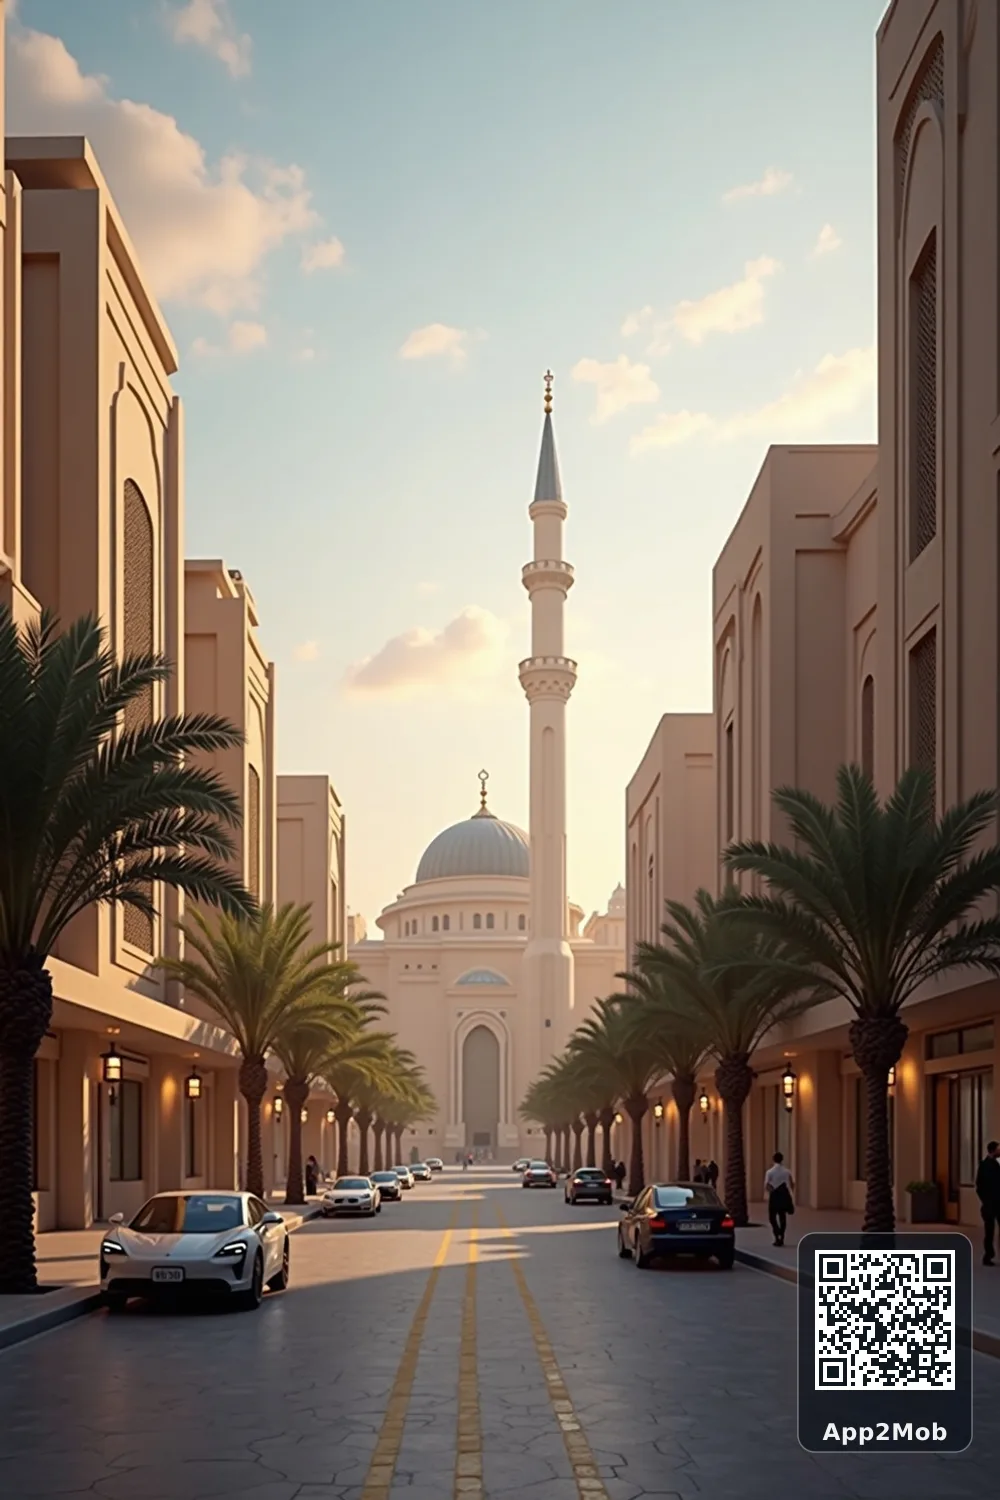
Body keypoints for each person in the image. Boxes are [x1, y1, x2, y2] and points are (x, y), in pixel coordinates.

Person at [975, 1140, 1000, 1266]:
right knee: (989, 1231)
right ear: (993, 1150)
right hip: (991, 1204)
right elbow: (979, 1186)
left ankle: (989, 1255)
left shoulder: (992, 1164)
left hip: (994, 1203)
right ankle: (988, 1255)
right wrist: (986, 1200)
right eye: (998, 1149)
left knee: (989, 1231)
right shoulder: (986, 1166)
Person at [764, 1151, 795, 1246]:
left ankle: (777, 1234)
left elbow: (767, 1185)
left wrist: (771, 1191)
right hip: (784, 1194)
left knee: (772, 1217)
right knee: (782, 1216)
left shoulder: (770, 1172)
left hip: (774, 1195)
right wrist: (790, 1193)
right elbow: (792, 1184)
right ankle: (782, 1235)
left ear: (773, 1160)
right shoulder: (787, 1171)